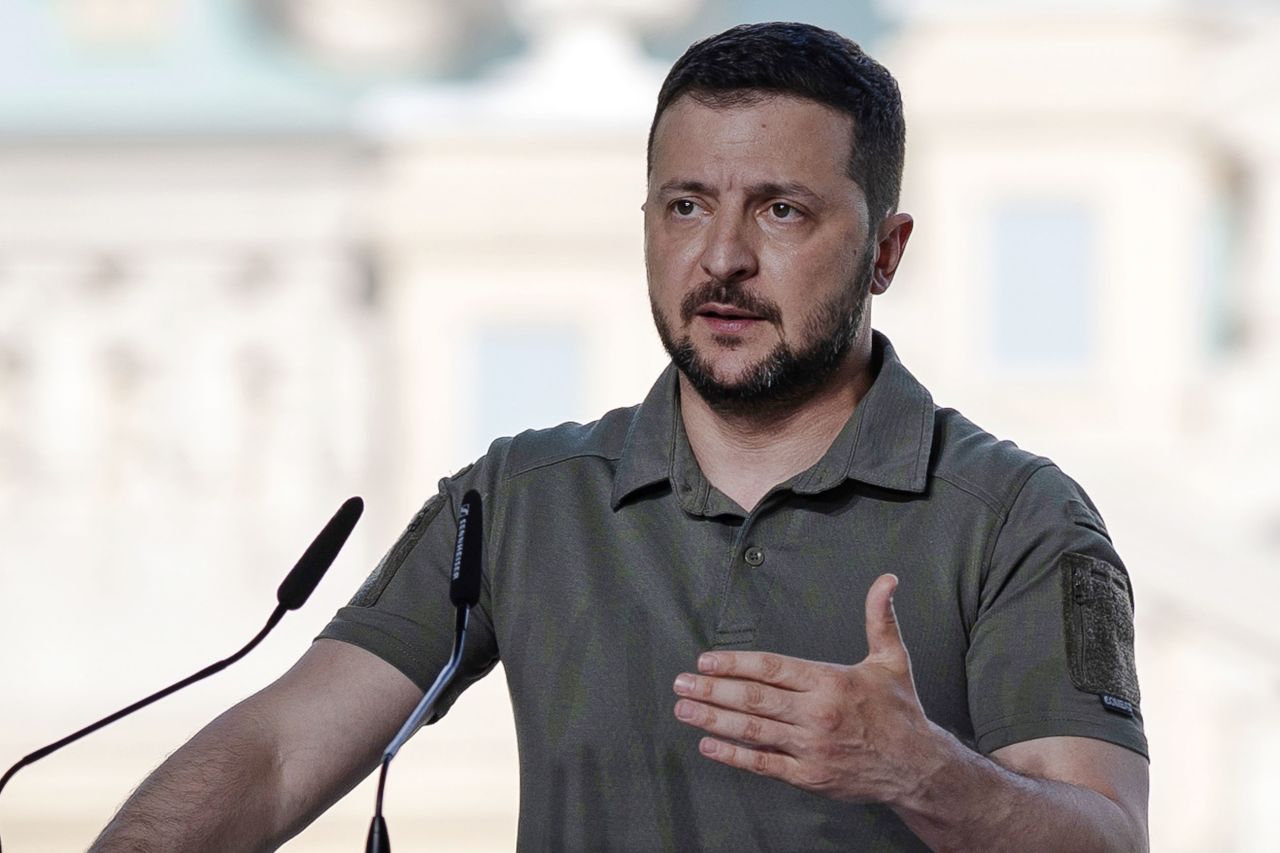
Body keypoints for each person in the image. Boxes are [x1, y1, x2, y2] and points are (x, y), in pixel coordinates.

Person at [91, 22, 1149, 852]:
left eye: (780, 211)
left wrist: (922, 770)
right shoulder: (516, 497)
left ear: (885, 251)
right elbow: (277, 753)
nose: (721, 257)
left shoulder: (1021, 519)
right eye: (686, 205)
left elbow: (1106, 836)